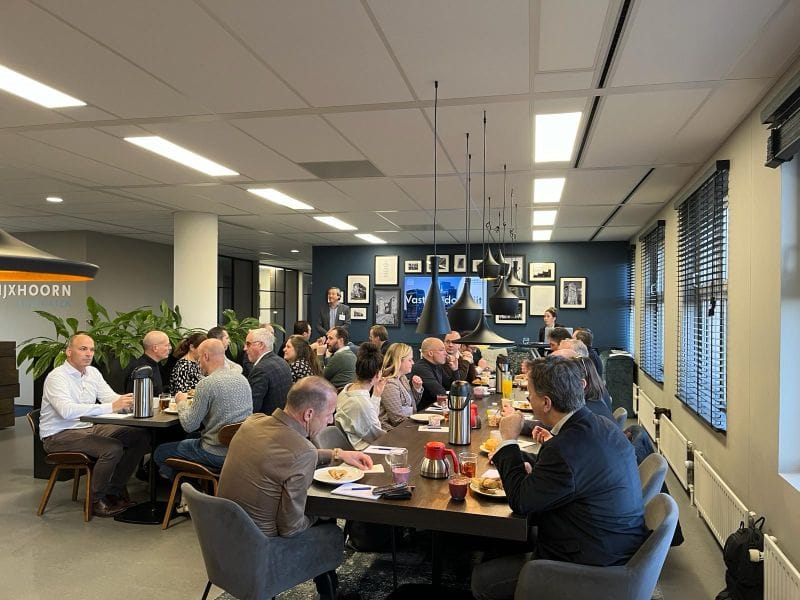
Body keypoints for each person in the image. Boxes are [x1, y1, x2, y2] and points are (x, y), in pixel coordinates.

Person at [472, 356, 647, 600]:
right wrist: (535, 470)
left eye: (530, 395)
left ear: (546, 403)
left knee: (482, 579)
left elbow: (521, 501)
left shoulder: (564, 448)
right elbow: (571, 472)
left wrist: (509, 439)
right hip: (613, 544)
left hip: (590, 567)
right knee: (502, 546)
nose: (529, 399)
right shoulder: (599, 425)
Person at [217, 376, 373, 600]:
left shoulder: (253, 422)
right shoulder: (301, 451)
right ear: (308, 414)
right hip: (265, 550)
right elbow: (291, 528)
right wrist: (320, 514)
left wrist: (337, 454)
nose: (331, 421)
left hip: (224, 539)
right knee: (330, 527)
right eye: (329, 414)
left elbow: (287, 453)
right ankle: (328, 593)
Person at [39, 334, 149, 518]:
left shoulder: (92, 373)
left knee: (139, 435)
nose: (89, 354)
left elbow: (109, 397)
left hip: (87, 428)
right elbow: (66, 411)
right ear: (69, 352)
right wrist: (112, 406)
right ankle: (95, 501)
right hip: (58, 435)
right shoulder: (57, 377)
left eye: (91, 350)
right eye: (83, 349)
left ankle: (114, 490)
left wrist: (128, 400)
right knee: (112, 448)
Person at [154, 338, 252, 481]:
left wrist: (181, 402)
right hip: (239, 451)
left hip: (214, 453)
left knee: (159, 452)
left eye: (199, 357)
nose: (198, 362)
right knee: (190, 438)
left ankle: (187, 486)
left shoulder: (206, 384)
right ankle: (192, 485)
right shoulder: (242, 379)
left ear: (206, 356)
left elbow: (189, 425)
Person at [335, 344, 386, 450]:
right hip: (363, 450)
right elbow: (378, 437)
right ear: (377, 374)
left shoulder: (347, 389)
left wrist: (376, 395)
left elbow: (371, 418)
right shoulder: (360, 402)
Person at [245, 327, 293, 414]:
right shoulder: (282, 362)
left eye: (248, 344)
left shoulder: (260, 369)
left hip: (267, 420)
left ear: (261, 345)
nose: (245, 348)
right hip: (282, 419)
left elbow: (252, 408)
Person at [379, 343, 422, 430]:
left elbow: (411, 406)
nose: (413, 363)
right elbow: (397, 420)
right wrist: (420, 425)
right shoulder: (389, 384)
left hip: (405, 426)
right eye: (410, 360)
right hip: (391, 431)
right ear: (399, 361)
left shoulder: (402, 378)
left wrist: (417, 388)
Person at [410, 337, 459, 409]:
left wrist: (455, 370)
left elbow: (451, 386)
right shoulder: (421, 368)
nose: (446, 353)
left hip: (436, 408)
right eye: (442, 350)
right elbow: (440, 393)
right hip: (424, 412)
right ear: (430, 353)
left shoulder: (437, 365)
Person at [124, 330, 171, 395]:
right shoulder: (142, 370)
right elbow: (141, 398)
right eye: (167, 345)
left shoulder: (153, 364)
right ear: (155, 348)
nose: (169, 348)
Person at [322, 326, 356, 391]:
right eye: (327, 338)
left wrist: (319, 355)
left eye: (330, 338)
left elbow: (320, 377)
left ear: (341, 340)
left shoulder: (340, 356)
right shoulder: (350, 354)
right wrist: (328, 357)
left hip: (336, 394)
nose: (327, 342)